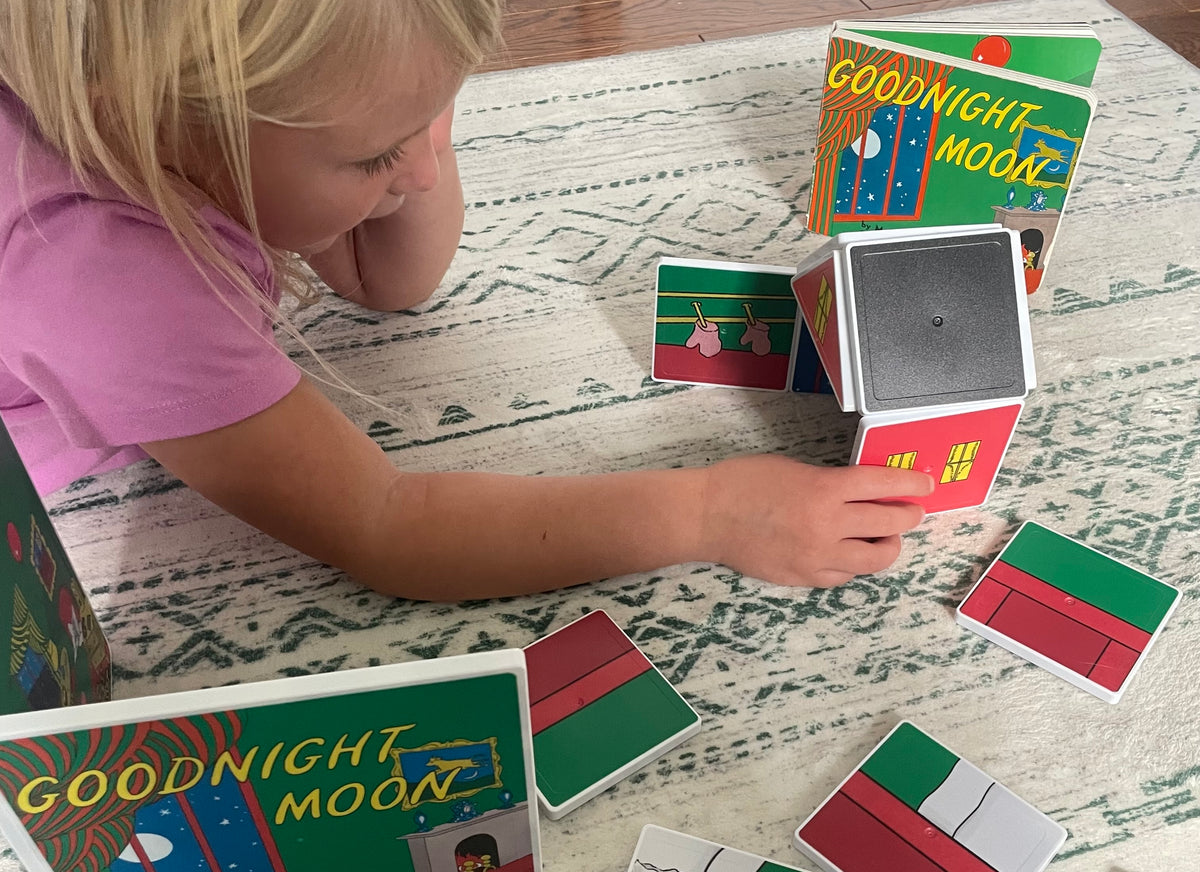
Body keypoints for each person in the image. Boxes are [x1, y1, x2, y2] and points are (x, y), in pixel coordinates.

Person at [0, 1, 933, 603]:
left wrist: (407, 131)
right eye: (373, 158)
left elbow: (387, 282)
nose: (419, 171)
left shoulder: (202, 119)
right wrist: (714, 513)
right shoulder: (111, 283)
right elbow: (389, 527)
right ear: (141, 113)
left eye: (440, 117)